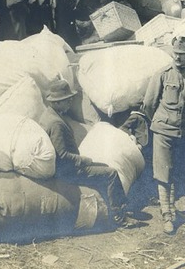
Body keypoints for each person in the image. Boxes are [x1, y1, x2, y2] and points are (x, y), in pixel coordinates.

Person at [38, 77, 134, 226]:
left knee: (103, 165)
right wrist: (85, 160)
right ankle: (119, 217)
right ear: (56, 102)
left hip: (65, 168)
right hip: (67, 171)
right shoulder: (56, 123)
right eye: (66, 99)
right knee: (111, 174)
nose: (70, 102)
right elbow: (62, 156)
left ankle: (111, 209)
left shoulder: (47, 115)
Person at [141, 34, 185, 234]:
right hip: (163, 130)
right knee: (163, 172)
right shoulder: (162, 74)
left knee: (179, 171)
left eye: (182, 54)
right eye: (175, 54)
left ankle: (173, 207)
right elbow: (149, 104)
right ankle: (166, 214)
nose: (178, 58)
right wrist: (161, 121)